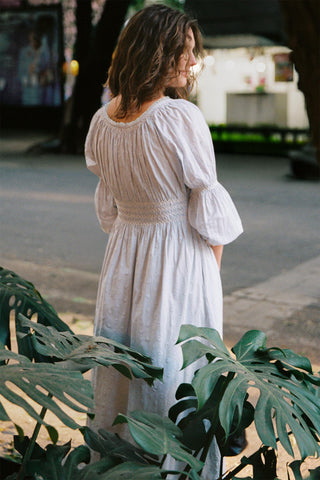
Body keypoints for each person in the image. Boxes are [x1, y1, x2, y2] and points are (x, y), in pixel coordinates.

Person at [85, 4, 243, 478]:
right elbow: (209, 215)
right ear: (157, 53)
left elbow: (110, 214)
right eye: (183, 51)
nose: (190, 62)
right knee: (177, 373)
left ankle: (119, 466)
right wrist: (207, 278)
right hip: (179, 262)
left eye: (193, 52)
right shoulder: (179, 118)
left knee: (124, 370)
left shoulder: (103, 122)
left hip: (124, 264)